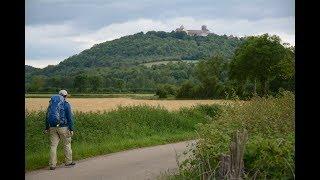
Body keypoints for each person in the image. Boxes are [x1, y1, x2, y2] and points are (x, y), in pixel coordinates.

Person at [45, 90, 75, 170]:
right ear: (66, 96)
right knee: (66, 144)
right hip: (63, 127)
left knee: (53, 146)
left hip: (52, 127)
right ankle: (68, 162)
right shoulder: (66, 104)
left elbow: (47, 116)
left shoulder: (51, 104)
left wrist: (47, 127)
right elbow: (69, 118)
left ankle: (52, 165)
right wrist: (71, 128)